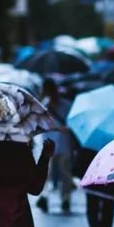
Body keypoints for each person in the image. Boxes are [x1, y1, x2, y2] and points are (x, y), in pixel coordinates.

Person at [35, 78, 75, 213]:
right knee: (47, 173)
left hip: (63, 144)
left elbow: (72, 122)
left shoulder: (66, 105)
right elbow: (40, 125)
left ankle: (65, 199)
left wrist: (66, 128)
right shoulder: (42, 107)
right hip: (49, 145)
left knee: (65, 173)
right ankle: (45, 197)